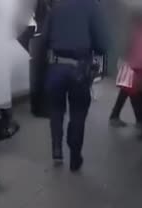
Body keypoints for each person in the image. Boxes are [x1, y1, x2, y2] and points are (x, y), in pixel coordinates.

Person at [42, 0, 108, 171]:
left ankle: (56, 150)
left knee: (56, 110)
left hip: (56, 67)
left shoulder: (56, 7)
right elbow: (101, 45)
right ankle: (75, 157)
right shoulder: (92, 6)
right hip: (79, 69)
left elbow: (44, 39)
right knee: (78, 113)